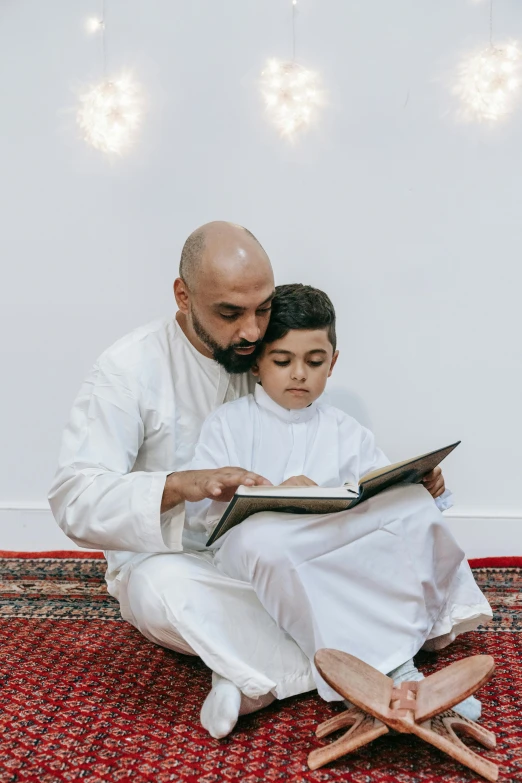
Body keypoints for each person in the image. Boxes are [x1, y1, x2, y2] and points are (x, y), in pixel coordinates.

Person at [185, 283, 492, 738]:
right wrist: (274, 498)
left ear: (333, 361)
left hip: (333, 545)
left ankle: (254, 680)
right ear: (256, 362)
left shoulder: (345, 429)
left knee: (408, 504)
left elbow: (376, 489)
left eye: (314, 362)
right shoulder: (228, 424)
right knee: (262, 538)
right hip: (259, 551)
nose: (299, 375)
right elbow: (202, 520)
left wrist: (425, 485)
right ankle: (396, 672)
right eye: (283, 361)